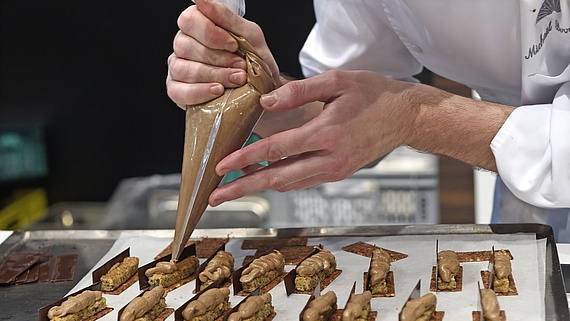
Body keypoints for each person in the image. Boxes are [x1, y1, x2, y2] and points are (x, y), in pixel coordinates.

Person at [166, 0, 570, 241]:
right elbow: (350, 107)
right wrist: (264, 97)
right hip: (525, 196)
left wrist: (412, 115)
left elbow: (392, 110)